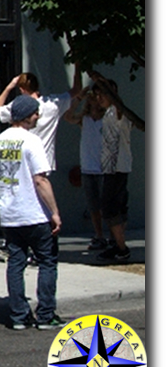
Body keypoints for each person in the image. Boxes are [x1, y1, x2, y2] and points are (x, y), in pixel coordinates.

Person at [0, 95, 62, 331]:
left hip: (10, 213)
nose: (37, 117)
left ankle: (19, 315)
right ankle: (45, 314)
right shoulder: (32, 141)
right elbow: (40, 179)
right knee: (47, 262)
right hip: (34, 213)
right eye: (35, 113)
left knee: (16, 262)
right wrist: (54, 212)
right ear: (27, 116)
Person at [90, 72, 144, 263]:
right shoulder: (108, 114)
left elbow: (119, 106)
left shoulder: (118, 112)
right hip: (110, 169)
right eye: (97, 95)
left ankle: (121, 247)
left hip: (117, 168)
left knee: (111, 208)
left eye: (102, 95)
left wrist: (104, 84)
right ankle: (116, 243)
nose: (99, 99)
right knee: (114, 208)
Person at [62, 87, 107, 251]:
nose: (94, 101)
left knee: (106, 205)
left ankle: (114, 236)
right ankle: (99, 235)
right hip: (88, 168)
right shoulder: (85, 119)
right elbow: (68, 116)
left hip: (104, 168)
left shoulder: (107, 118)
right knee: (93, 205)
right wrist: (78, 99)